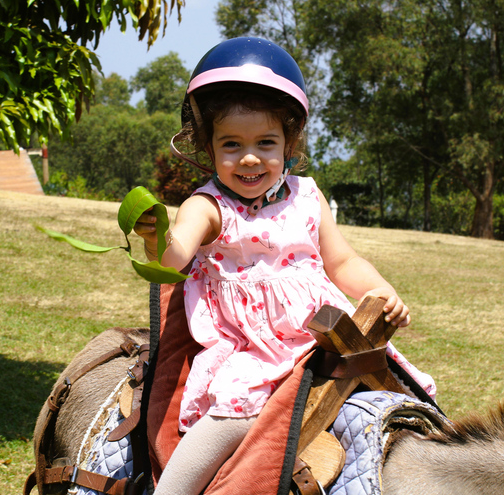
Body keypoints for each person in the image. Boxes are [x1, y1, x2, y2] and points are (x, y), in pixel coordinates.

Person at [133, 37, 435, 495]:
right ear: (207, 147)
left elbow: (343, 261)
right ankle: (172, 490)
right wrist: (158, 235)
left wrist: (382, 294)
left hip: (324, 335)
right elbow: (177, 256)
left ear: (289, 143)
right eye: (231, 144)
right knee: (232, 414)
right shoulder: (208, 206)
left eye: (266, 142)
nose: (250, 157)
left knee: (411, 398)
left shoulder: (307, 196)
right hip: (250, 345)